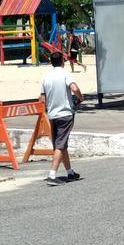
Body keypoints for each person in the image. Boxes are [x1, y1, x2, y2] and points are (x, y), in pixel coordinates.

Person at [40, 51, 83, 186]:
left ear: (51, 62)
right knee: (60, 144)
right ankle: (52, 174)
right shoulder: (65, 73)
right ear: (63, 61)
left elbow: (41, 99)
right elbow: (74, 87)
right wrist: (80, 98)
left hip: (52, 115)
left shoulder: (46, 77)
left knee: (60, 143)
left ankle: (70, 172)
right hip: (65, 113)